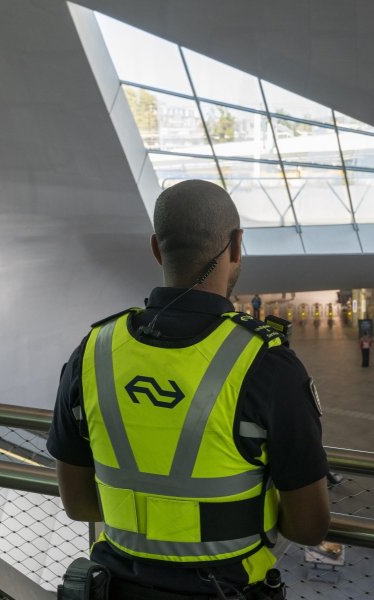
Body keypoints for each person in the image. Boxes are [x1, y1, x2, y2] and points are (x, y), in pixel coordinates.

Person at [48, 180, 330, 599]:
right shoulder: (267, 363)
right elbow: (309, 526)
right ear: (236, 247)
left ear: (157, 250)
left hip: (115, 588)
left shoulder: (94, 352)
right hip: (227, 589)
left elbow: (78, 505)